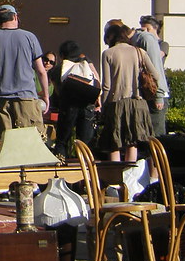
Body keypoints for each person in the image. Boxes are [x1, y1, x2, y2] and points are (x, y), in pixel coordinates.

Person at [0, 4, 49, 139]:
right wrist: (46, 96)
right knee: (31, 143)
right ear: (15, 16)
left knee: (6, 145)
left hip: (2, 100)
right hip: (26, 98)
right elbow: (41, 71)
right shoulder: (29, 37)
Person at [98, 21, 154, 162]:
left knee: (114, 143)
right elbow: (156, 75)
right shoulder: (139, 52)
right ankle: (130, 176)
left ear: (111, 37)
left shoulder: (108, 53)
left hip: (117, 103)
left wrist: (103, 107)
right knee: (132, 142)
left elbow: (106, 86)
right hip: (138, 103)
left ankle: (116, 179)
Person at [109, 18, 169, 136]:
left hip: (154, 93)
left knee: (155, 136)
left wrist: (159, 96)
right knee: (142, 134)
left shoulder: (145, 39)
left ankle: (156, 155)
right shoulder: (135, 41)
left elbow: (156, 68)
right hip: (144, 95)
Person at [52, 40, 100, 158]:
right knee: (85, 143)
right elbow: (97, 82)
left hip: (68, 107)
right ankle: (86, 169)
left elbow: (58, 91)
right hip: (87, 106)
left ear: (62, 55)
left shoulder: (58, 69)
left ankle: (61, 165)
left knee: (62, 141)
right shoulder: (86, 66)